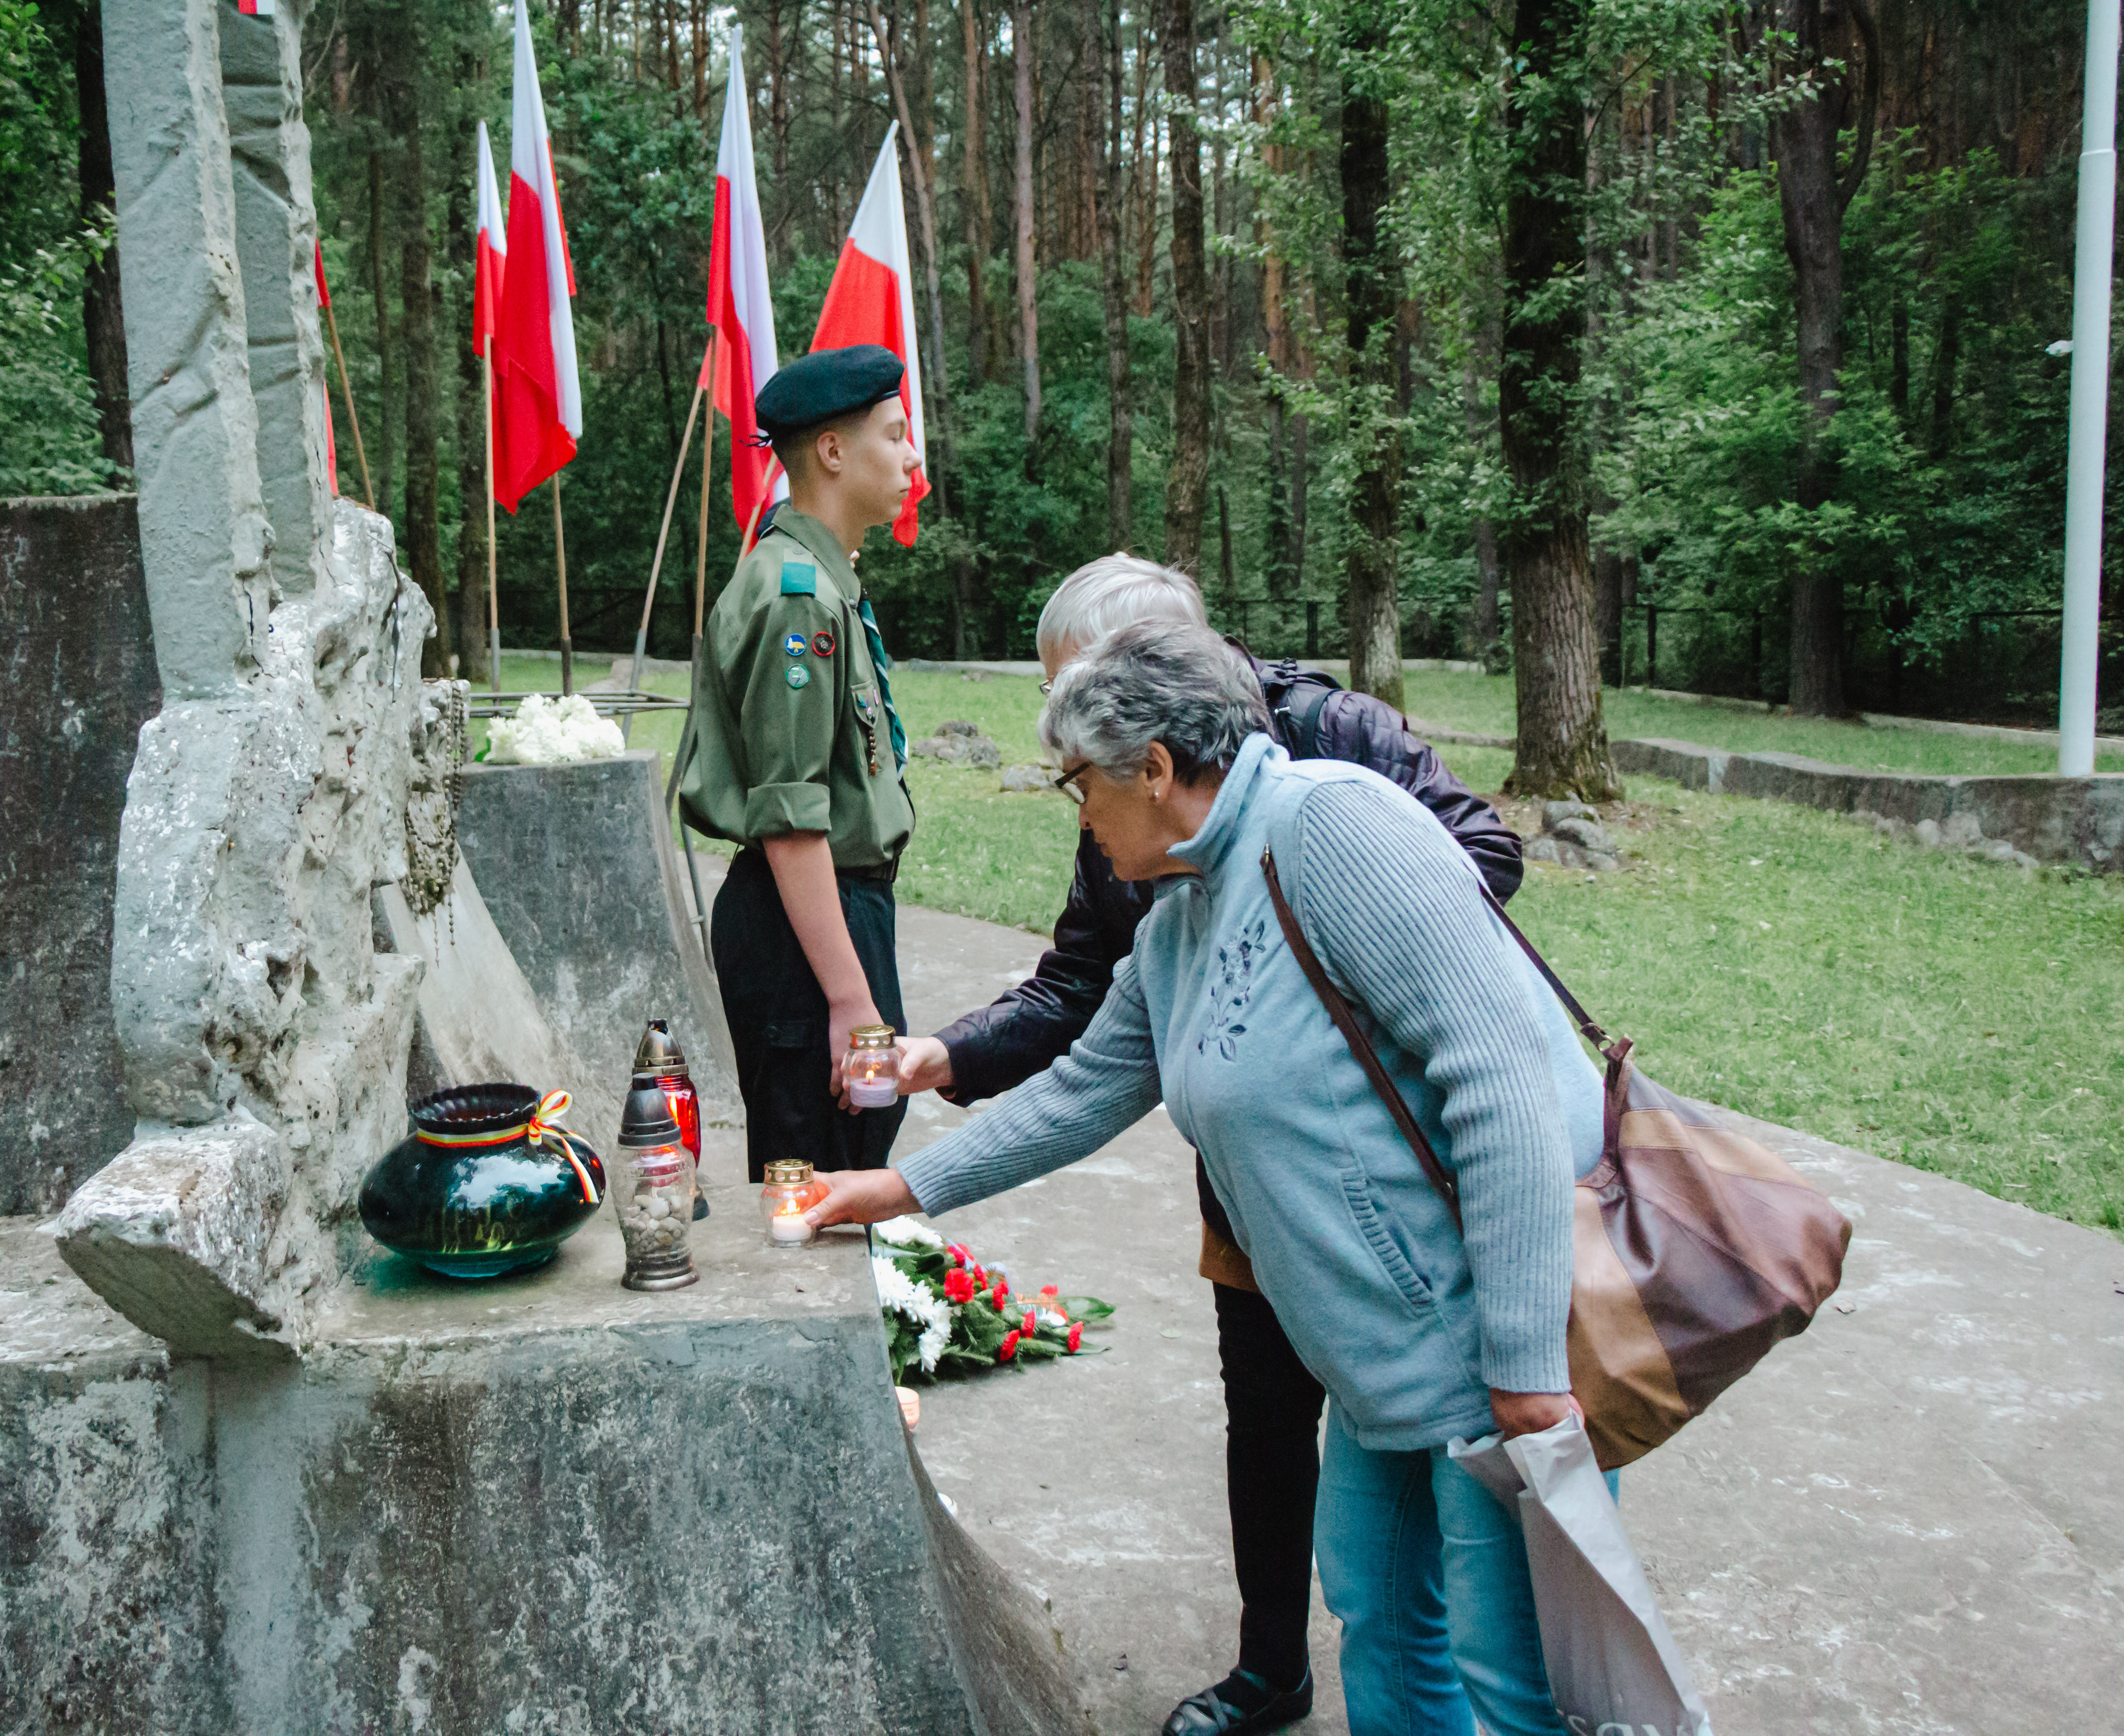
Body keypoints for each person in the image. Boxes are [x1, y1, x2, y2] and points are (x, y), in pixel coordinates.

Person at [807, 622, 1609, 1736]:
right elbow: (1086, 1088)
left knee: (1515, 1682)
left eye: (1080, 784)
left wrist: (1525, 1365)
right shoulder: (1183, 909)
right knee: (1383, 1626)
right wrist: (900, 1192)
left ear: (1154, 767)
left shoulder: (1336, 827)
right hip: (1382, 1356)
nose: (1079, 816)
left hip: (1489, 1346)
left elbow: (1505, 1083)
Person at [676, 344, 923, 1180]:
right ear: (833, 451)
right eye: (895, 435)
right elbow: (789, 819)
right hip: (806, 931)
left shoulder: (823, 581)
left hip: (831, 916)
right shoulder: (798, 599)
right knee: (818, 1177)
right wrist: (849, 1000)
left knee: (852, 1148)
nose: (911, 459)